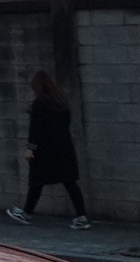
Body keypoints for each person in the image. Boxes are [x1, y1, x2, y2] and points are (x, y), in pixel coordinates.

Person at [6, 69, 90, 229]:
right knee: (70, 182)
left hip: (45, 148)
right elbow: (67, 123)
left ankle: (27, 213)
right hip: (64, 146)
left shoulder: (39, 103)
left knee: (36, 181)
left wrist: (31, 147)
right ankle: (82, 217)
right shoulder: (61, 101)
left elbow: (35, 128)